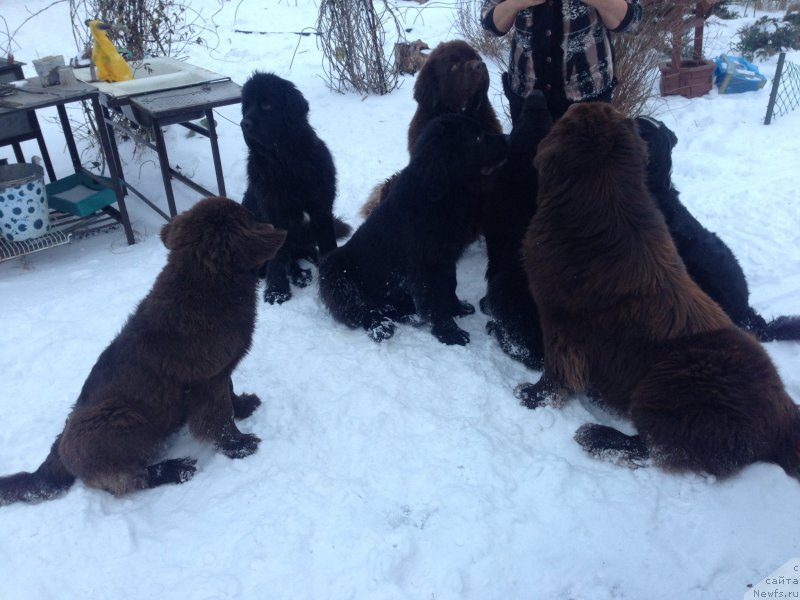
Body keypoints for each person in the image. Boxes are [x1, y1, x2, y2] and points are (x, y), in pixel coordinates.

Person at [481, 0, 642, 123]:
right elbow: (488, 24)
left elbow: (632, 20)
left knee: (585, 165)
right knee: (528, 164)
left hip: (588, 100)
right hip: (527, 96)